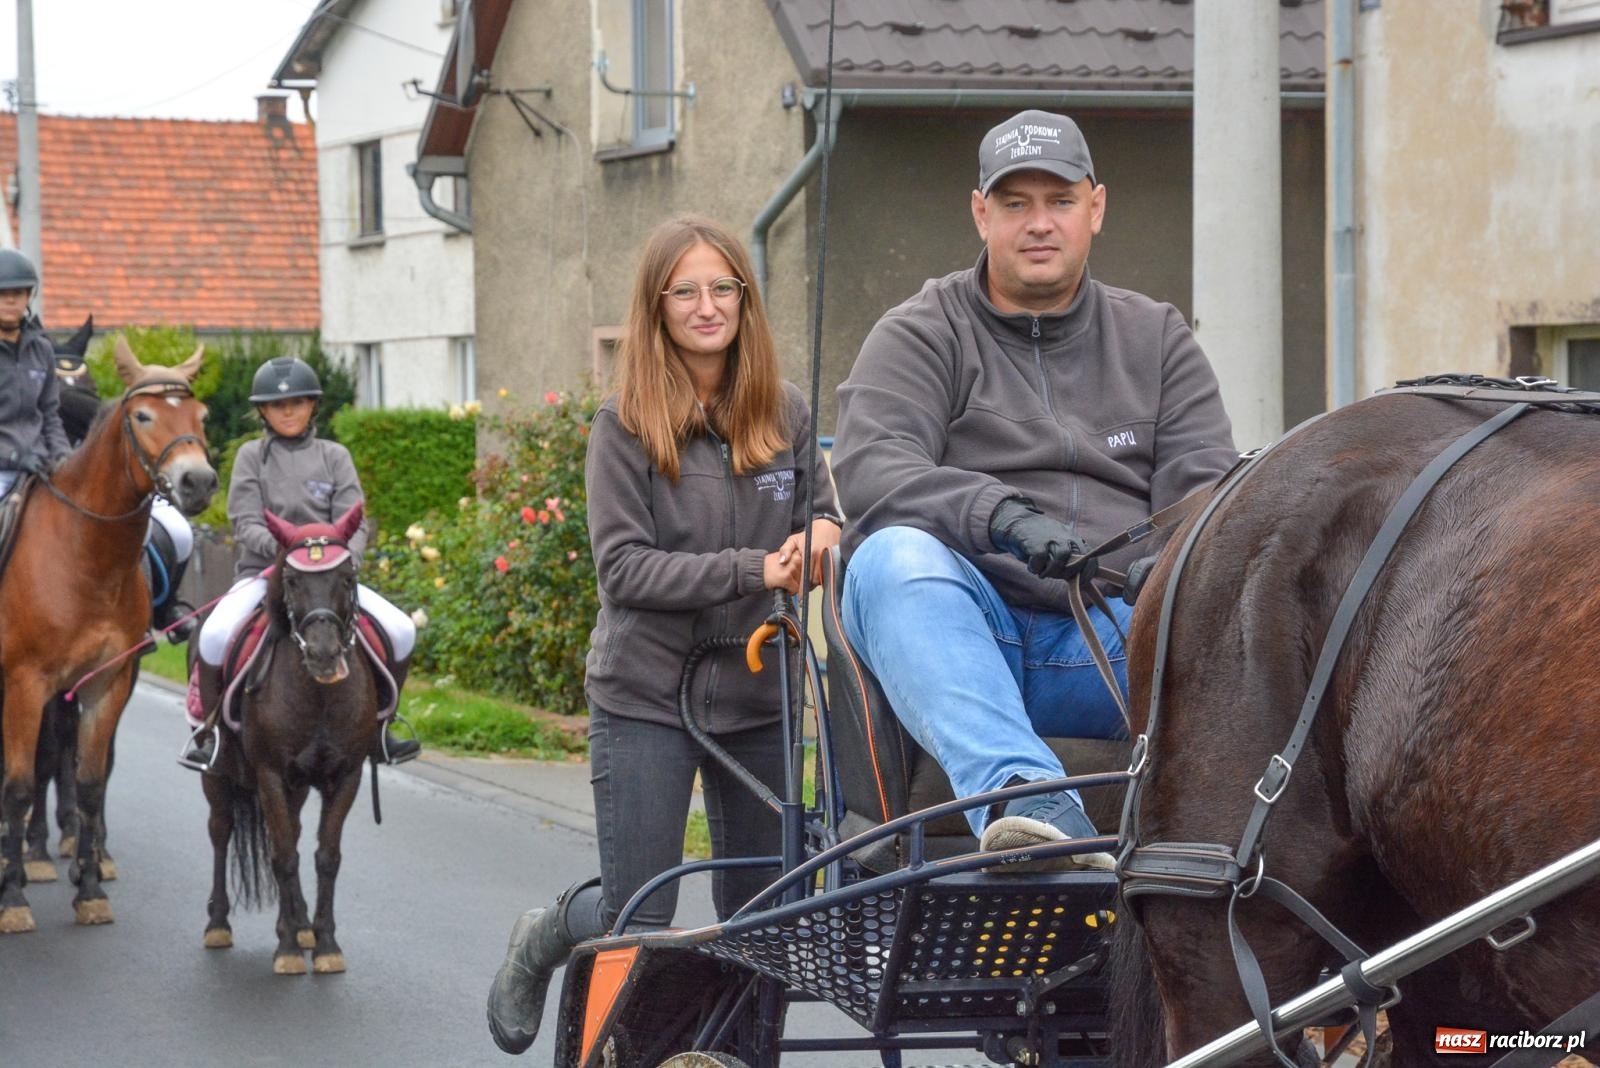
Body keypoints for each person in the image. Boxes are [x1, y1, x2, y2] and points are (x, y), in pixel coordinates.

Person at [831, 111, 1237, 869]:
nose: (1039, 223)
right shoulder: (920, 332)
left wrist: (1171, 563)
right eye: (1015, 203)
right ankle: (1032, 802)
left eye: (1059, 200)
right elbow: (873, 470)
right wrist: (1001, 517)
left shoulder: (1157, 338)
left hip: (1109, 639)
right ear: (981, 213)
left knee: (1260, 624)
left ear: (1097, 208)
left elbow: (1205, 487)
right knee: (887, 558)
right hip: (953, 633)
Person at [486, 215, 840, 1054]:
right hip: (647, 693)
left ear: (745, 300)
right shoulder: (624, 423)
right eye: (687, 290)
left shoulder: (785, 412)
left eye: (724, 287)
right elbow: (626, 573)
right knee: (640, 911)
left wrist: (824, 534)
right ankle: (550, 942)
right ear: (657, 305)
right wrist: (756, 570)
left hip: (758, 694)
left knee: (764, 913)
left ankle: (737, 1057)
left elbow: (821, 513)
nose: (708, 305)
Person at [181, 356, 421, 770]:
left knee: (400, 630)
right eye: (278, 405)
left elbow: (354, 518)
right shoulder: (251, 458)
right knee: (214, 635)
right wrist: (288, 559)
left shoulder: (335, 456)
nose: (288, 411)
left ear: (313, 405)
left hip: (328, 580)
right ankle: (211, 733)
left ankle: (383, 727)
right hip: (265, 574)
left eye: (298, 402)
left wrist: (342, 561)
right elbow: (245, 521)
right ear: (263, 411)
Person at [50, 316, 197, 642]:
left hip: (111, 496)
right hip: (44, 484)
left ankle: (165, 609)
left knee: (180, 531)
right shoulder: (42, 402)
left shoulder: (107, 417)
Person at [0, 249, 70, 500]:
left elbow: (50, 414)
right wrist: (13, 457)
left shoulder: (42, 350)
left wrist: (64, 455)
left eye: (17, 293)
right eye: (3, 294)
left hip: (40, 465)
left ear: (28, 297)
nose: (10, 301)